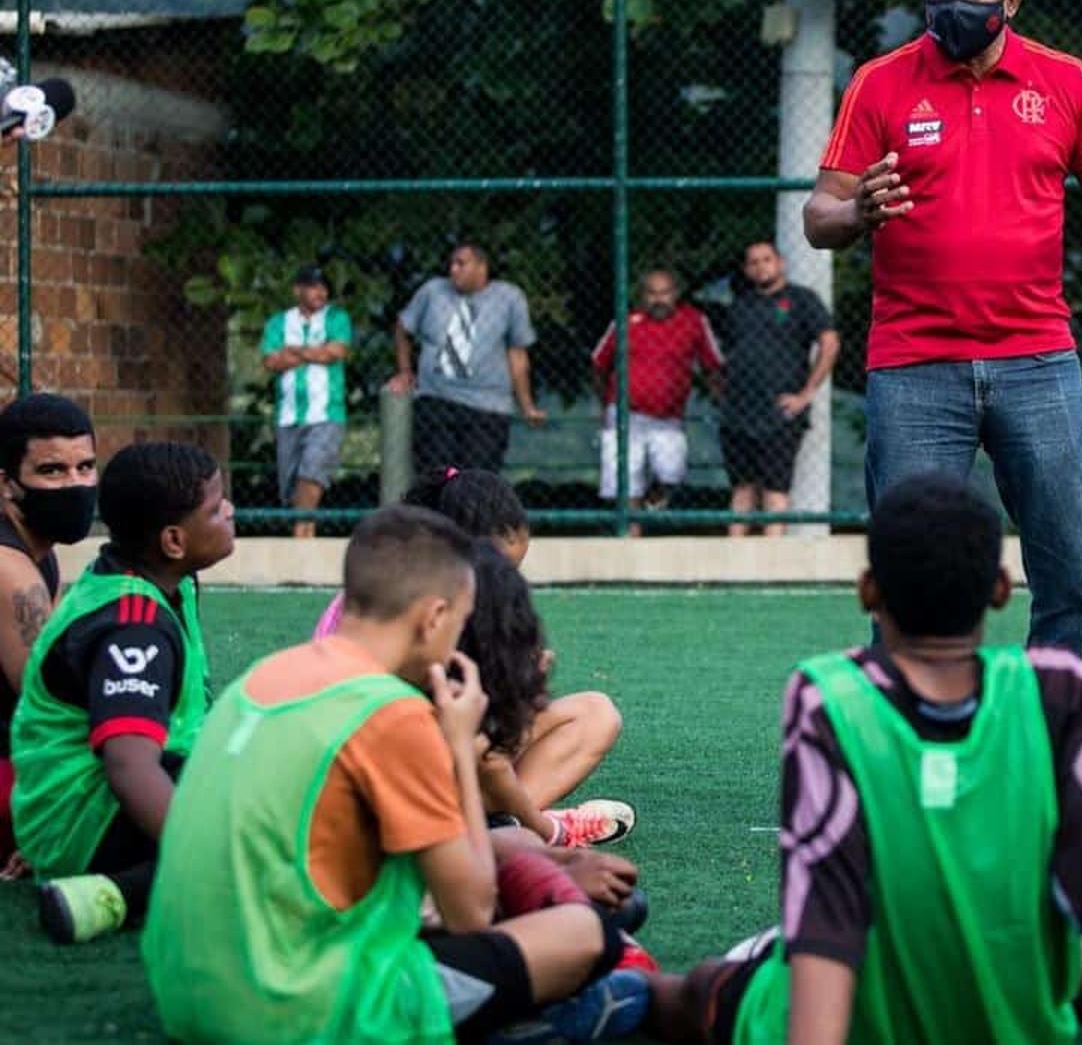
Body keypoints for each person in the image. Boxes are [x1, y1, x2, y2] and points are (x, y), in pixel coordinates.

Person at [630, 473, 1082, 1045]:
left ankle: (614, 987)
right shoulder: (1060, 690)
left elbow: (827, 928)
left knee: (704, 988)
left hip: (857, 1006)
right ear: (1002, 589)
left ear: (868, 592)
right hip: (1014, 996)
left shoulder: (829, 698)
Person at [803, 0, 1082, 668]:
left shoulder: (1065, 81)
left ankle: (1053, 729)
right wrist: (856, 211)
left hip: (1037, 361)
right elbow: (819, 215)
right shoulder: (879, 83)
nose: (955, 4)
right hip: (914, 365)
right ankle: (908, 732)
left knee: (1073, 570)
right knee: (909, 574)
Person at [141, 505, 652, 1043]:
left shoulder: (266, 676)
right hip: (291, 1012)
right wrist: (458, 748)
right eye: (460, 620)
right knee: (583, 934)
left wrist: (545, 853)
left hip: (183, 994)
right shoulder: (392, 716)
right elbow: (471, 912)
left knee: (528, 858)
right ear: (434, 618)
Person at [315, 469, 634, 849]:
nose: (506, 580)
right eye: (500, 568)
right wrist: (550, 833)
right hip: (383, 787)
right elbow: (482, 752)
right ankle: (491, 831)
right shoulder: (426, 616)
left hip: (393, 769)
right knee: (585, 909)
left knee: (594, 713)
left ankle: (499, 825)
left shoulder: (420, 589)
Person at [10, 441, 235, 943]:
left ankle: (117, 890)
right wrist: (210, 859)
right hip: (88, 816)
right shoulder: (134, 624)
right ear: (174, 541)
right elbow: (129, 768)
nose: (230, 512)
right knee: (262, 827)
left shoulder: (165, 580)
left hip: (97, 803)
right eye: (216, 509)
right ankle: (134, 888)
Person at [0, 393, 98, 871]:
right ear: (6, 484)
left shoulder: (41, 553)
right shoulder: (11, 571)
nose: (75, 484)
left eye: (85, 467)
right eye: (53, 471)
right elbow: (51, 708)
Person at [389, 240, 545, 475]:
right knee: (440, 477)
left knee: (476, 480)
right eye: (452, 263)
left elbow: (517, 354)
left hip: (487, 405)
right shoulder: (432, 292)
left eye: (462, 264)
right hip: (437, 399)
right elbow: (403, 327)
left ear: (482, 267)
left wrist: (527, 405)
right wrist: (405, 370)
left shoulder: (509, 298)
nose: (453, 269)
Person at [718, 240, 838, 538]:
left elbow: (830, 342)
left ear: (780, 262)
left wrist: (806, 394)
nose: (761, 266)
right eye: (753, 262)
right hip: (738, 413)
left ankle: (772, 565)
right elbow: (722, 358)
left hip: (780, 413)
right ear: (746, 269)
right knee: (742, 489)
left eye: (767, 259)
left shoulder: (802, 300)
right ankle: (734, 565)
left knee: (775, 487)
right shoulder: (738, 306)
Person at [590, 268, 723, 532]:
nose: (658, 299)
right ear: (642, 296)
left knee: (672, 474)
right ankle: (630, 541)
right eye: (652, 293)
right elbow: (598, 364)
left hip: (668, 418)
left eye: (664, 293)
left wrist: (720, 399)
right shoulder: (625, 322)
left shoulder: (693, 321)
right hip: (626, 414)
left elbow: (713, 365)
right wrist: (606, 403)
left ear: (676, 294)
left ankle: (654, 499)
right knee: (625, 482)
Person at [260, 264, 352, 538]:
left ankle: (301, 532)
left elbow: (335, 352)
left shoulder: (337, 317)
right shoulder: (279, 322)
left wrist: (295, 351)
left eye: (324, 287)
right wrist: (316, 351)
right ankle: (305, 530)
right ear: (297, 290)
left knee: (313, 468)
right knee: (290, 482)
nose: (320, 292)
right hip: (288, 414)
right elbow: (271, 361)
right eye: (313, 286)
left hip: (327, 412)